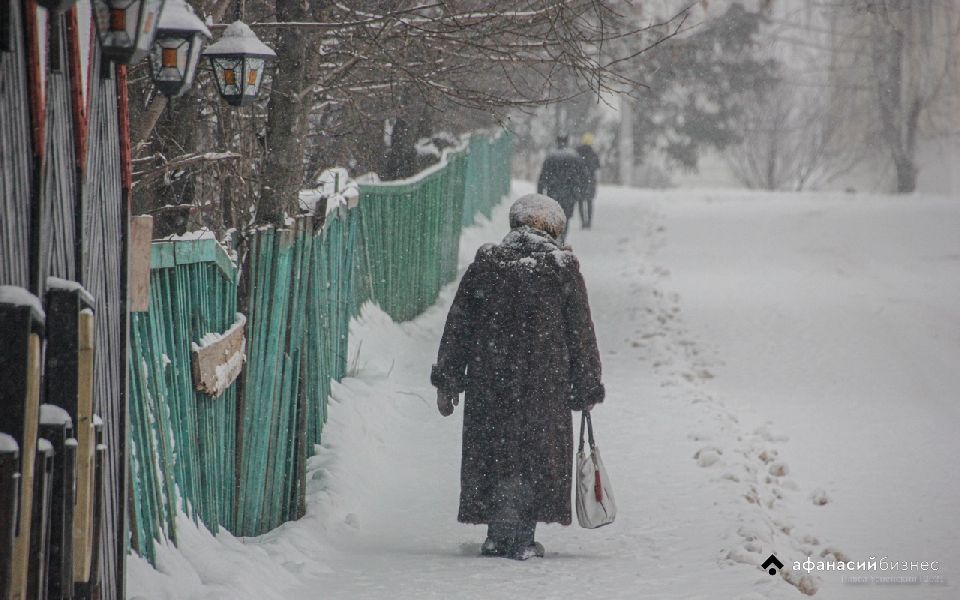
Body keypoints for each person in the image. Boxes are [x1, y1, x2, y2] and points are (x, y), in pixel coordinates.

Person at [431, 193, 605, 561]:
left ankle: (497, 534)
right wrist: (587, 384)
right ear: (554, 229)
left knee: (496, 454)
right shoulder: (561, 269)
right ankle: (523, 535)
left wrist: (448, 379)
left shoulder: (487, 266)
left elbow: (458, 326)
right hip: (544, 387)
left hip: (490, 383)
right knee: (535, 457)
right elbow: (581, 334)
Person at [536, 135, 591, 242]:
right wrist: (582, 191)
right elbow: (584, 175)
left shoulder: (550, 157)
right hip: (570, 193)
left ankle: (556, 236)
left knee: (554, 216)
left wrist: (540, 193)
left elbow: (542, 177)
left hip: (553, 192)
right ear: (567, 142)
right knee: (566, 217)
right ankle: (563, 237)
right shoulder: (574, 157)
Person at [575, 133, 600, 229]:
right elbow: (597, 166)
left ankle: (582, 222)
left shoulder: (577, 153)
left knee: (581, 201)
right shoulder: (593, 154)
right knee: (589, 202)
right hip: (590, 180)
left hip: (579, 180)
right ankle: (589, 222)